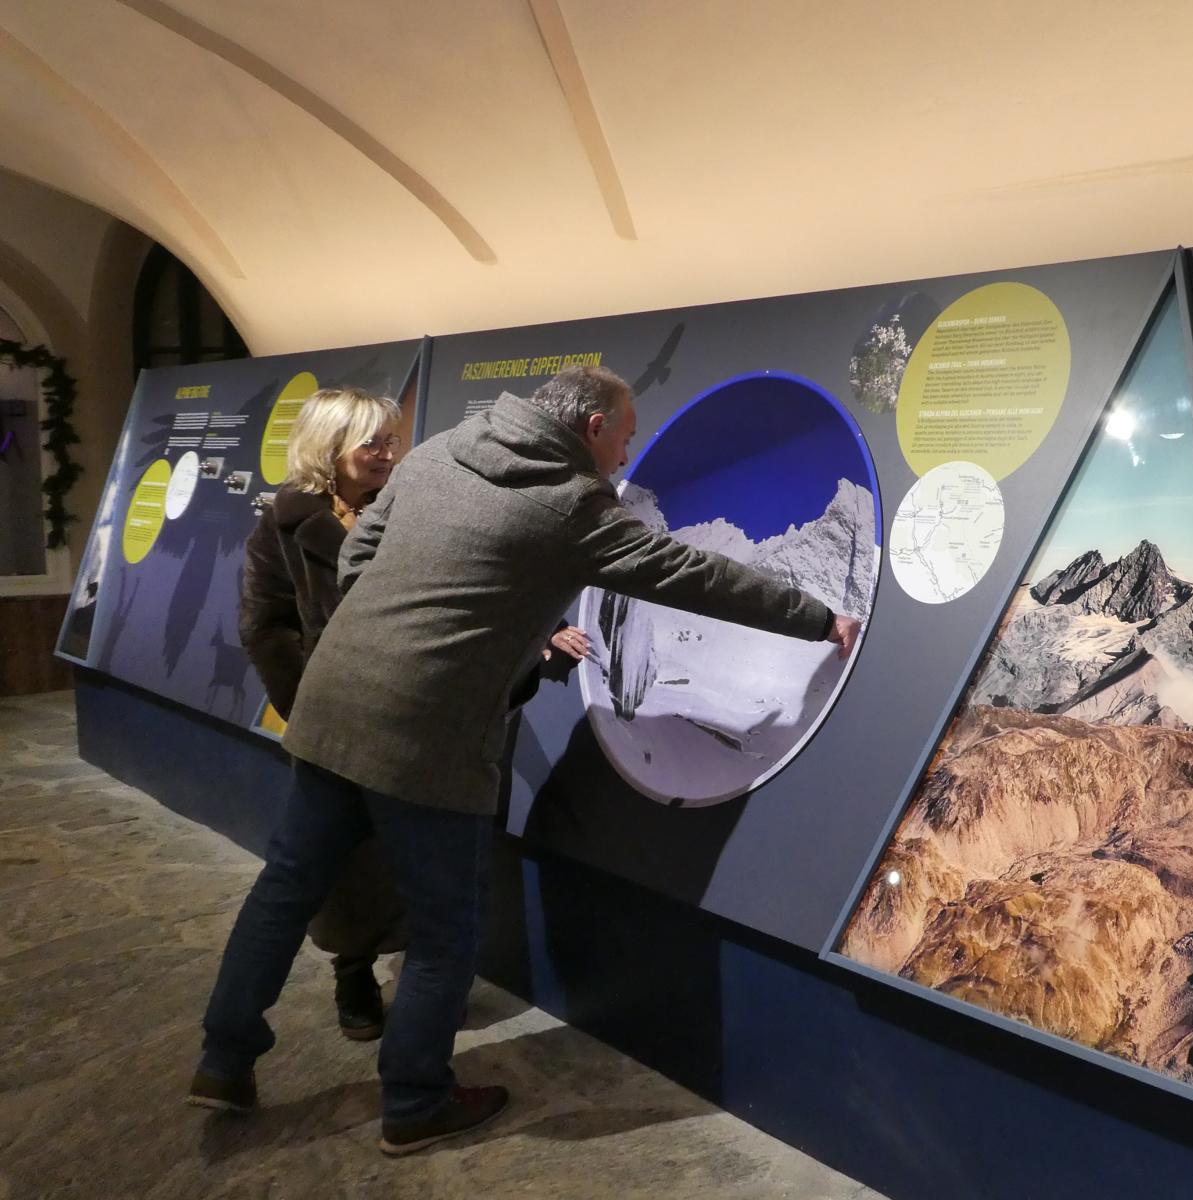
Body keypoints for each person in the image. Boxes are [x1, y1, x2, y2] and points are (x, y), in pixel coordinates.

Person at [189, 365, 861, 1156]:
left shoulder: (440, 453)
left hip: (333, 708)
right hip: (429, 740)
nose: (629, 446)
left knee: (283, 890)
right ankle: (413, 1101)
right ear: (590, 429)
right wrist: (817, 617)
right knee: (445, 931)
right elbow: (687, 573)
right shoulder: (570, 504)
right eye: (626, 430)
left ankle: (224, 1060)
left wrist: (388, 639)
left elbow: (358, 554)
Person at [238, 387, 409, 1041]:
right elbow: (266, 627)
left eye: (392, 441)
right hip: (331, 724)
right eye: (372, 442)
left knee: (418, 849)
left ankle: (423, 980)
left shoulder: (408, 511)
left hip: (410, 714)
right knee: (346, 860)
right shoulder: (283, 526)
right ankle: (354, 972)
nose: (386, 455)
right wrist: (311, 704)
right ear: (329, 447)